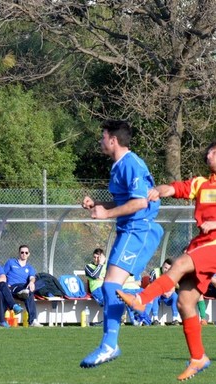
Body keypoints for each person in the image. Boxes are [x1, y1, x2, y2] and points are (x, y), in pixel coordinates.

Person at [118, 141, 216, 380]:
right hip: (202, 244)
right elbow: (174, 188)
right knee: (184, 302)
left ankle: (141, 299)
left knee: (180, 263)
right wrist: (158, 190)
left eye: (214, 152)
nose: (208, 155)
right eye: (208, 152)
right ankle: (198, 358)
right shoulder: (202, 183)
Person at [79, 119, 163, 368]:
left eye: (103, 136)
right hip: (127, 230)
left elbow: (140, 203)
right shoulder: (118, 166)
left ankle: (112, 342)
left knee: (110, 286)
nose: (101, 141)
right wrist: (98, 206)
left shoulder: (131, 164)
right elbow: (125, 201)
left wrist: (105, 214)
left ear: (113, 140)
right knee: (110, 287)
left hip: (139, 230)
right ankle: (138, 308)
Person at [3, 244, 43, 327]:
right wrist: (6, 285)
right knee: (29, 293)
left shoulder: (30, 267)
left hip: (25, 287)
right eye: (22, 252)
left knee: (40, 283)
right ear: (19, 253)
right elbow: (2, 275)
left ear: (29, 254)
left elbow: (32, 277)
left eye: (26, 252)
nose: (24, 254)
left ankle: (33, 321)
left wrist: (31, 282)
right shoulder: (11, 262)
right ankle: (33, 320)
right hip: (13, 287)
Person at [147, 258, 181, 325]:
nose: (166, 270)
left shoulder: (173, 273)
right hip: (157, 294)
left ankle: (175, 319)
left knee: (175, 296)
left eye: (169, 269)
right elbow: (152, 287)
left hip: (168, 294)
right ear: (162, 266)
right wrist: (162, 292)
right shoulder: (155, 272)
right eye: (165, 268)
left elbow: (175, 286)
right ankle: (155, 319)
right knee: (154, 295)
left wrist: (170, 292)